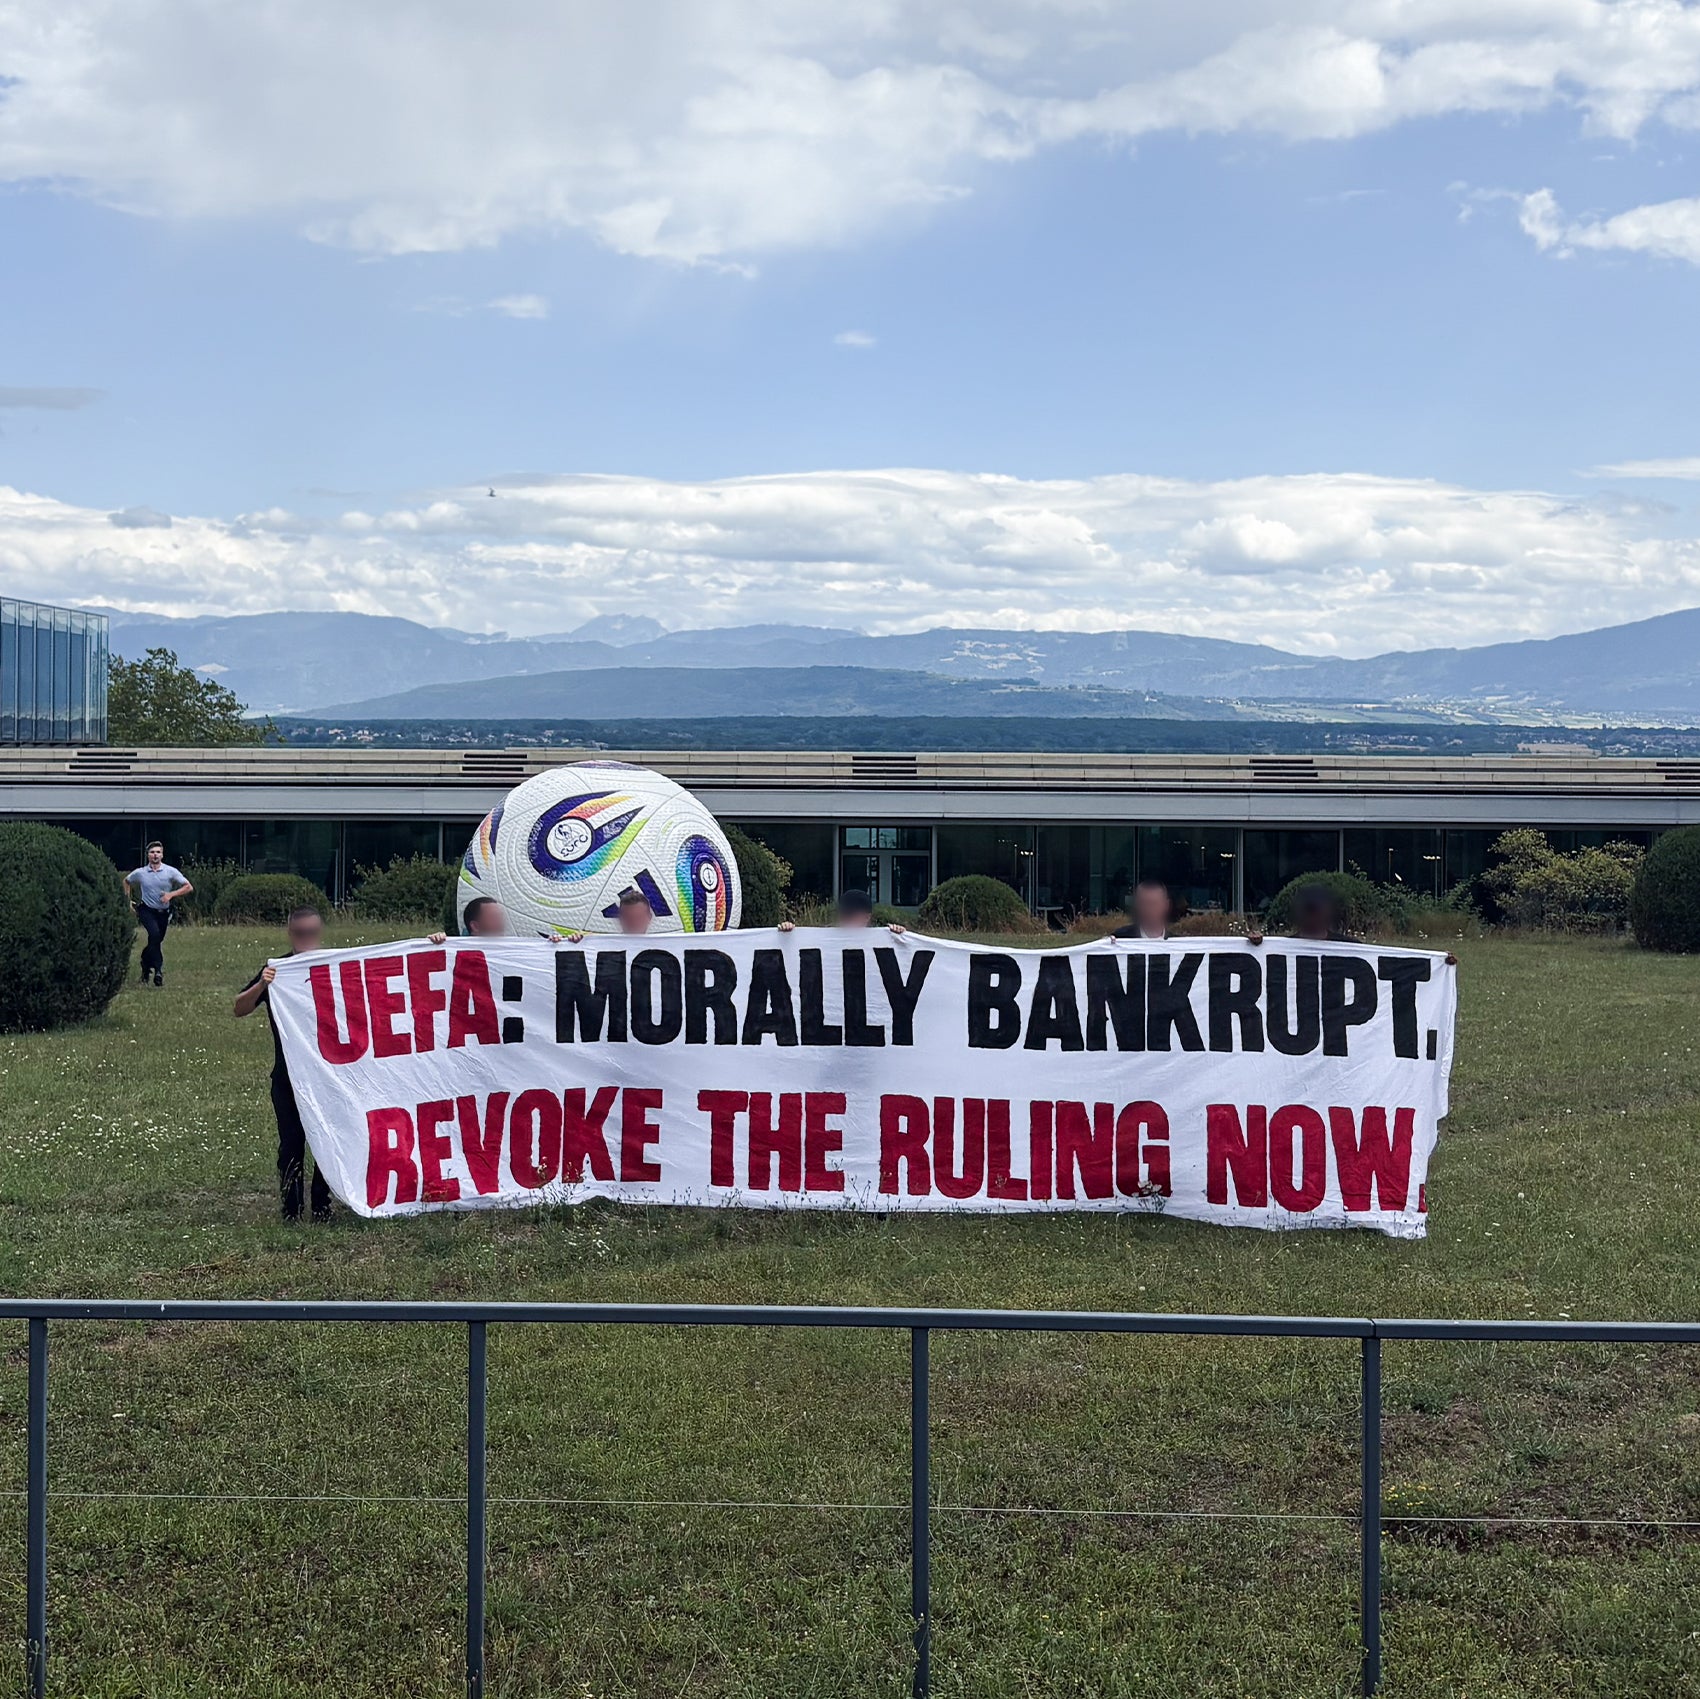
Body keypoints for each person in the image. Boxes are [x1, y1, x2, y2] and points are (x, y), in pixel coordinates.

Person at [234, 906, 333, 1224]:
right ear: (291, 934)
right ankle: (291, 1208)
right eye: (300, 933)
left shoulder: (334, 965)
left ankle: (321, 1205)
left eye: (312, 933)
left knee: (326, 1141)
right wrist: (263, 984)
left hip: (329, 1076)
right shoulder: (278, 970)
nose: (307, 939)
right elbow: (239, 1007)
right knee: (291, 1142)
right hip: (288, 1077)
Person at [122, 841, 192, 987]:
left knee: (156, 941)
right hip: (146, 910)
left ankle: (145, 965)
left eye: (158, 852)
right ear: (148, 855)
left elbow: (188, 887)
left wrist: (171, 894)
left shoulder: (170, 871)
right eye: (152, 852)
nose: (155, 855)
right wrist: (127, 901)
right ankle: (159, 971)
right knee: (154, 935)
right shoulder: (141, 873)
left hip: (163, 912)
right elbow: (126, 881)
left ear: (162, 855)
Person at [778, 889, 906, 933]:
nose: (846, 920)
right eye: (844, 915)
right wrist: (788, 933)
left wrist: (899, 936)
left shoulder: (881, 940)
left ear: (866, 917)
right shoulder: (826, 936)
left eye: (851, 916)